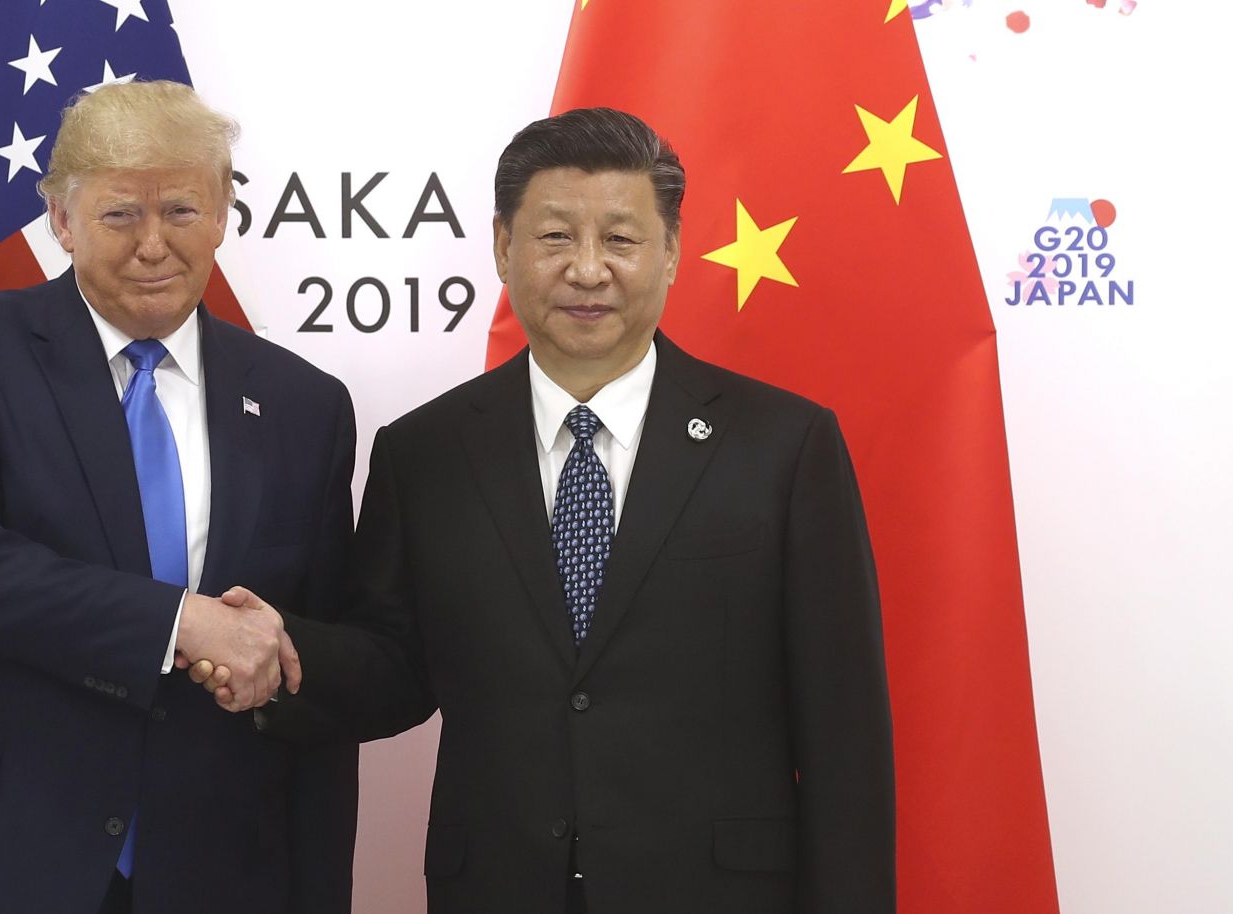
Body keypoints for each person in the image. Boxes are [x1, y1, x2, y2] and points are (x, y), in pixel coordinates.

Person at [202, 107, 895, 914]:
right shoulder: (424, 452)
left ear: (671, 252)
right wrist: (279, 657)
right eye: (556, 237)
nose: (589, 270)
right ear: (503, 246)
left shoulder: (784, 445)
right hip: (499, 887)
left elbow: (844, 732)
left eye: (622, 240)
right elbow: (395, 670)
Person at [0, 80, 358, 914]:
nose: (154, 245)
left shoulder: (304, 404)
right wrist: (184, 623)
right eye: (119, 216)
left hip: (215, 871)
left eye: (181, 211)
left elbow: (311, 667)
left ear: (222, 215)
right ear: (62, 220)